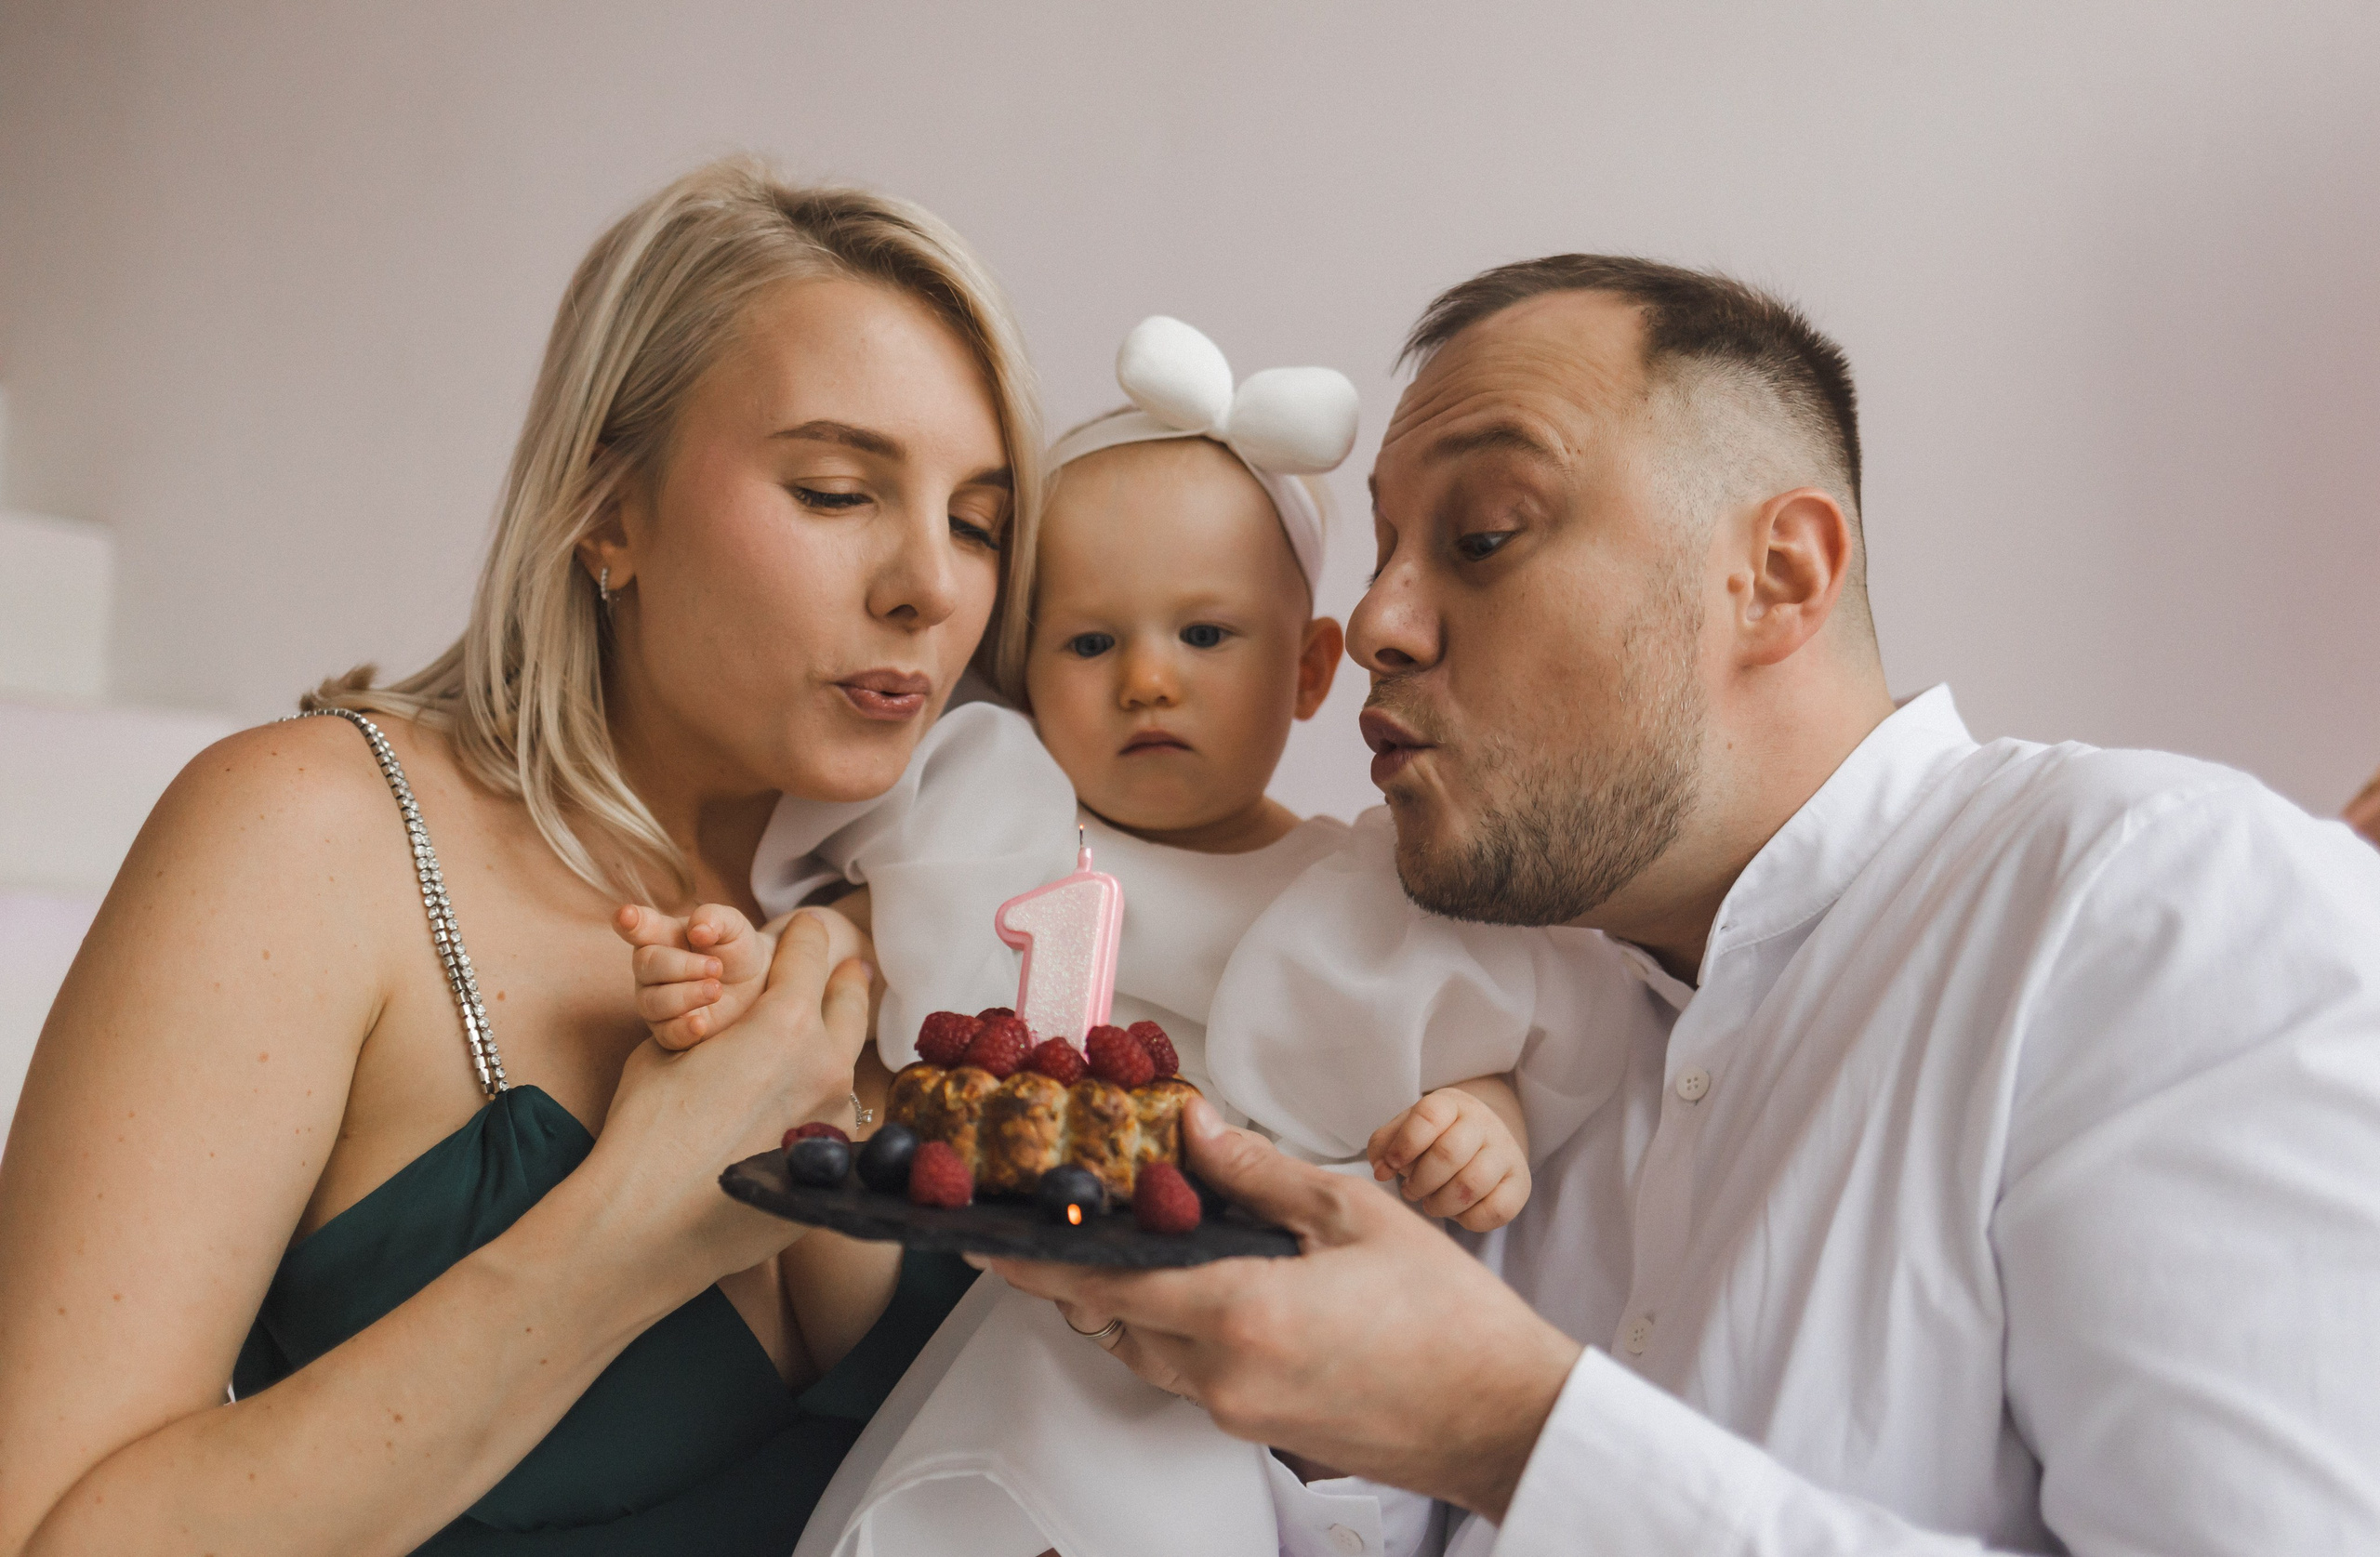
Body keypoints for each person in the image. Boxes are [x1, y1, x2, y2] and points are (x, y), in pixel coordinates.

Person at [993, 257, 2380, 1555]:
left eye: (1482, 537)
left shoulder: (2165, 906)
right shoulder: (1500, 1029)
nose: (1375, 626)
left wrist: (1513, 1431)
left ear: (1777, 577)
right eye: (1382, 552)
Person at [0, 158, 1046, 1555]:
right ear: (608, 509)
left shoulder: (955, 914)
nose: (931, 583)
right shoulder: (312, 839)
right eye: (838, 490)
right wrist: (628, 1227)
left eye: (978, 523)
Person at [618, 316, 1563, 1557]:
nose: (1150, 681)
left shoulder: (1361, 892)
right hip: (1046, 1322)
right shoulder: (1004, 818)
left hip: (1279, 1360)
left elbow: (1459, 1046)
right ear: (1021, 666)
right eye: (1090, 641)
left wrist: (1481, 1125)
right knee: (1036, 1449)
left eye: (1206, 635)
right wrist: (750, 965)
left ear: (1311, 667)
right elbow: (856, 944)